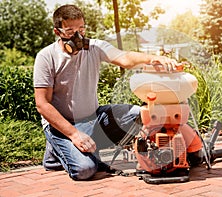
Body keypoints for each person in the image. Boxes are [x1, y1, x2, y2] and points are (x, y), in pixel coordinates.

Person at [33, 4, 179, 181]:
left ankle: (76, 149)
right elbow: (42, 104)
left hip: (93, 118)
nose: (78, 35)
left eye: (81, 29)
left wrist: (154, 58)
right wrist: (73, 134)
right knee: (85, 170)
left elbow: (125, 58)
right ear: (58, 32)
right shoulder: (46, 57)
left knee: (141, 115)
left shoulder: (94, 47)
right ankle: (56, 152)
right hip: (63, 125)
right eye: (70, 31)